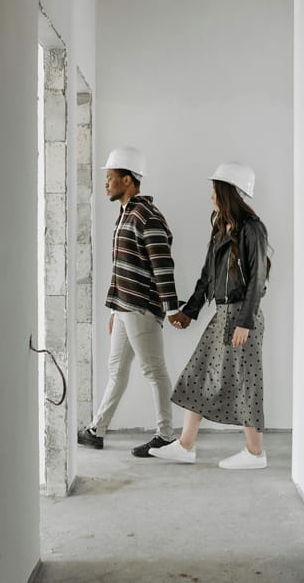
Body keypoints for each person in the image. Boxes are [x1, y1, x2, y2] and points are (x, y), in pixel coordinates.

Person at [151, 162, 271, 469]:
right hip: (223, 315)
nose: (211, 196)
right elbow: (207, 276)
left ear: (227, 192)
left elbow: (258, 278)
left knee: (245, 382)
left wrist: (245, 321)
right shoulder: (221, 228)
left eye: (215, 190)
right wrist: (189, 312)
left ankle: (255, 453)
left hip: (242, 316)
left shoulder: (252, 228)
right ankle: (185, 445)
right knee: (198, 374)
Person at [77, 146, 184, 457]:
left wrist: (171, 308)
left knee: (154, 370)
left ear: (127, 180)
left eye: (110, 178)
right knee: (117, 370)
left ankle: (166, 435)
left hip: (141, 308)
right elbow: (121, 266)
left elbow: (163, 265)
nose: (106, 184)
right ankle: (97, 430)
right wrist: (114, 307)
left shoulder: (147, 216)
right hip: (125, 307)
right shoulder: (126, 214)